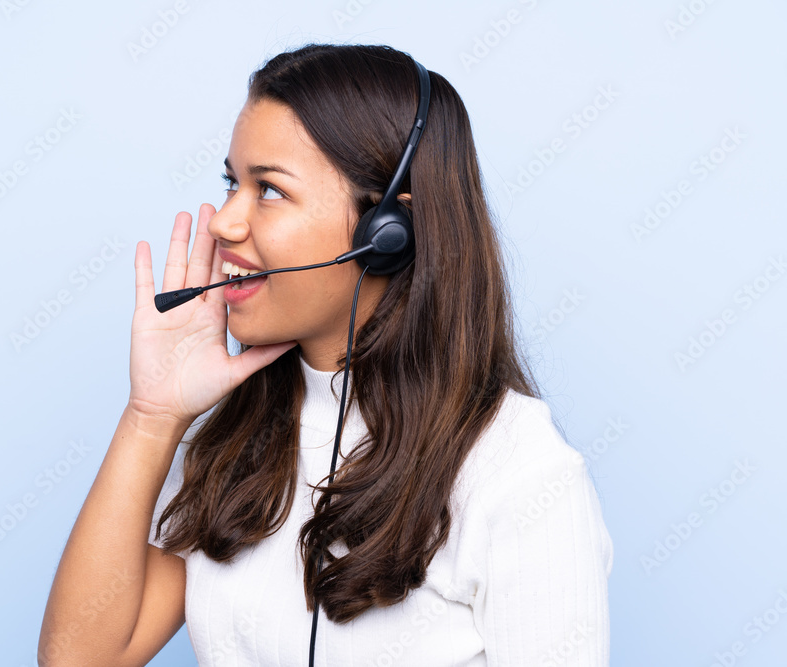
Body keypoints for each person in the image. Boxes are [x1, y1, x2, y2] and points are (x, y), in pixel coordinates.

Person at [38, 43, 613, 667]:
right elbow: (79, 660)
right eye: (233, 182)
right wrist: (152, 416)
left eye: (270, 191)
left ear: (387, 232)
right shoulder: (233, 437)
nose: (225, 223)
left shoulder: (519, 470)